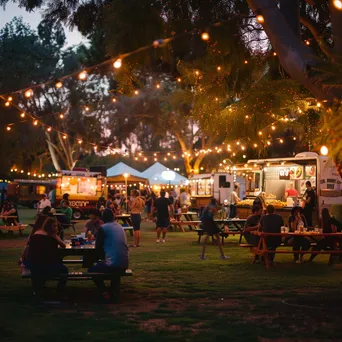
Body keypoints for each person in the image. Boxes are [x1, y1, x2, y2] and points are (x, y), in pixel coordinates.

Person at [88, 208, 129, 303]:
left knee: (91, 270)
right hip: (124, 263)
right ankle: (113, 291)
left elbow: (97, 248)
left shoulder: (104, 228)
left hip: (113, 265)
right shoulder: (120, 226)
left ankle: (103, 291)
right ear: (113, 216)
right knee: (112, 266)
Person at [27, 217, 67, 302]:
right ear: (50, 227)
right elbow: (63, 246)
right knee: (64, 270)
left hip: (33, 265)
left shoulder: (37, 233)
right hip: (46, 266)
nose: (56, 228)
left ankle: (39, 290)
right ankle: (59, 292)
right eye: (55, 226)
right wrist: (55, 236)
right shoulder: (51, 236)